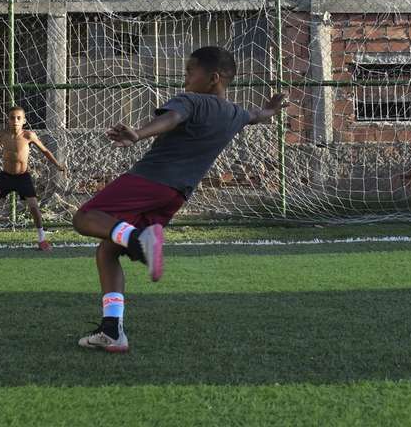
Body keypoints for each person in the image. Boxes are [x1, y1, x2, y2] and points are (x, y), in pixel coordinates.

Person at [73, 46, 286, 352]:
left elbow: (172, 118)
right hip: (176, 195)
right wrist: (272, 108)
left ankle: (139, 239)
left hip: (151, 179)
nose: (184, 77)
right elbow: (259, 115)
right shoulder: (236, 113)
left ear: (213, 78)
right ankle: (112, 330)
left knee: (84, 218)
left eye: (190, 71)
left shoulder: (192, 101)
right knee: (107, 251)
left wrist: (138, 134)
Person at [0, 106, 65, 251]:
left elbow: (45, 151)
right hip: (5, 177)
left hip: (23, 177)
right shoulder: (2, 134)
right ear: (8, 120)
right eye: (12, 117)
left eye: (19, 118)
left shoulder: (28, 135)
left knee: (34, 207)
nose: (15, 121)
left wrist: (58, 165)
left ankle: (42, 239)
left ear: (24, 121)